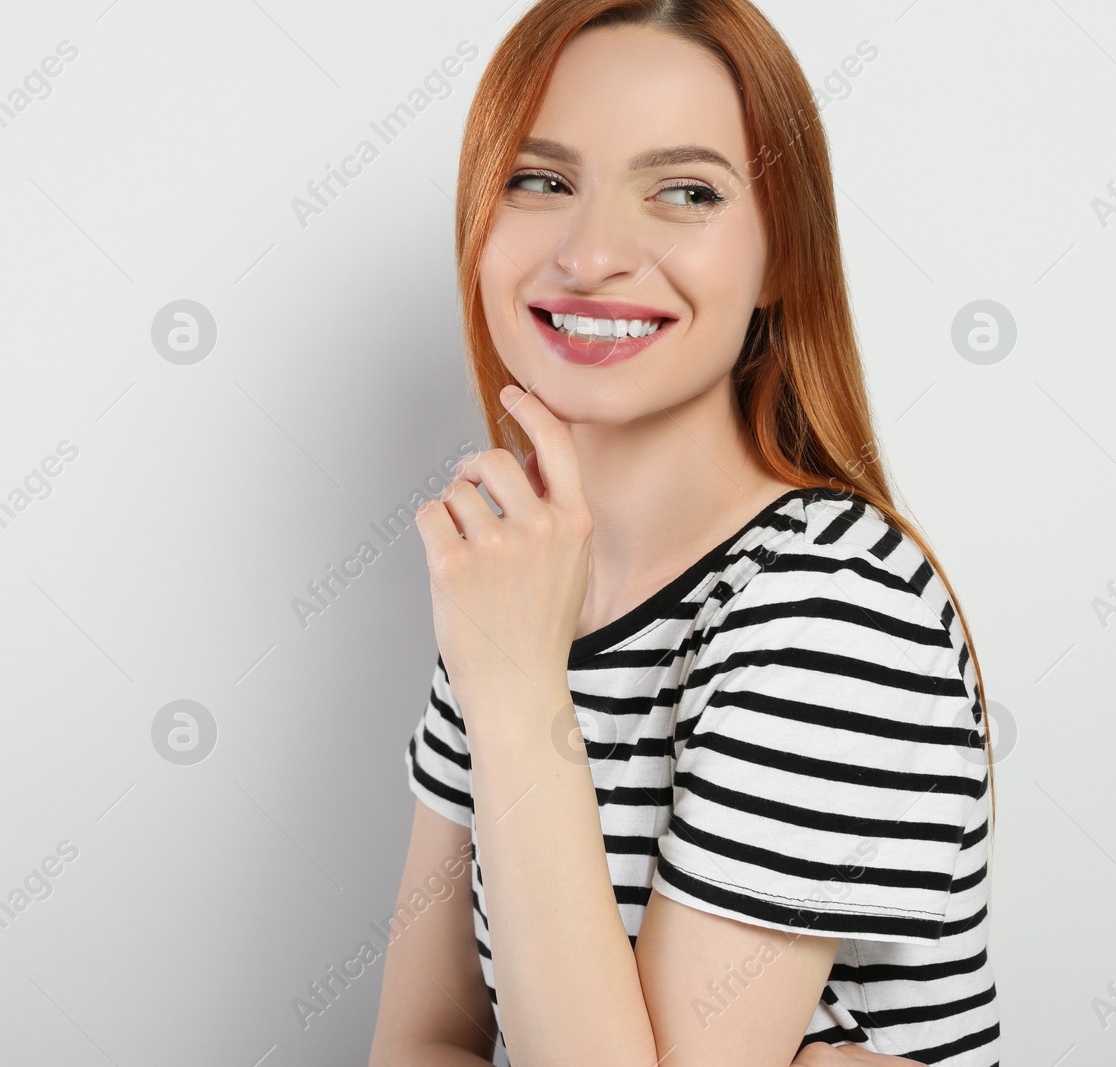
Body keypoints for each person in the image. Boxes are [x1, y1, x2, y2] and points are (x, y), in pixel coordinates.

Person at [368, 2, 999, 1065]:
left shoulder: (829, 606)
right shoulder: (513, 577)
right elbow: (423, 1039)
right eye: (540, 179)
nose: (593, 251)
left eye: (686, 192)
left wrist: (519, 695)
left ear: (781, 263)